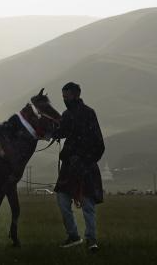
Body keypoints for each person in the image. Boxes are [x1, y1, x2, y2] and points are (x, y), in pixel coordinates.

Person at [52, 81, 104, 252]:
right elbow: (60, 132)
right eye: (63, 97)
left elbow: (99, 144)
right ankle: (74, 236)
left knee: (88, 205)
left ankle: (91, 240)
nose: (64, 99)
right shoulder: (66, 115)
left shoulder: (89, 113)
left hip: (86, 166)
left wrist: (87, 160)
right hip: (70, 166)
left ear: (75, 95)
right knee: (62, 199)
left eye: (66, 97)